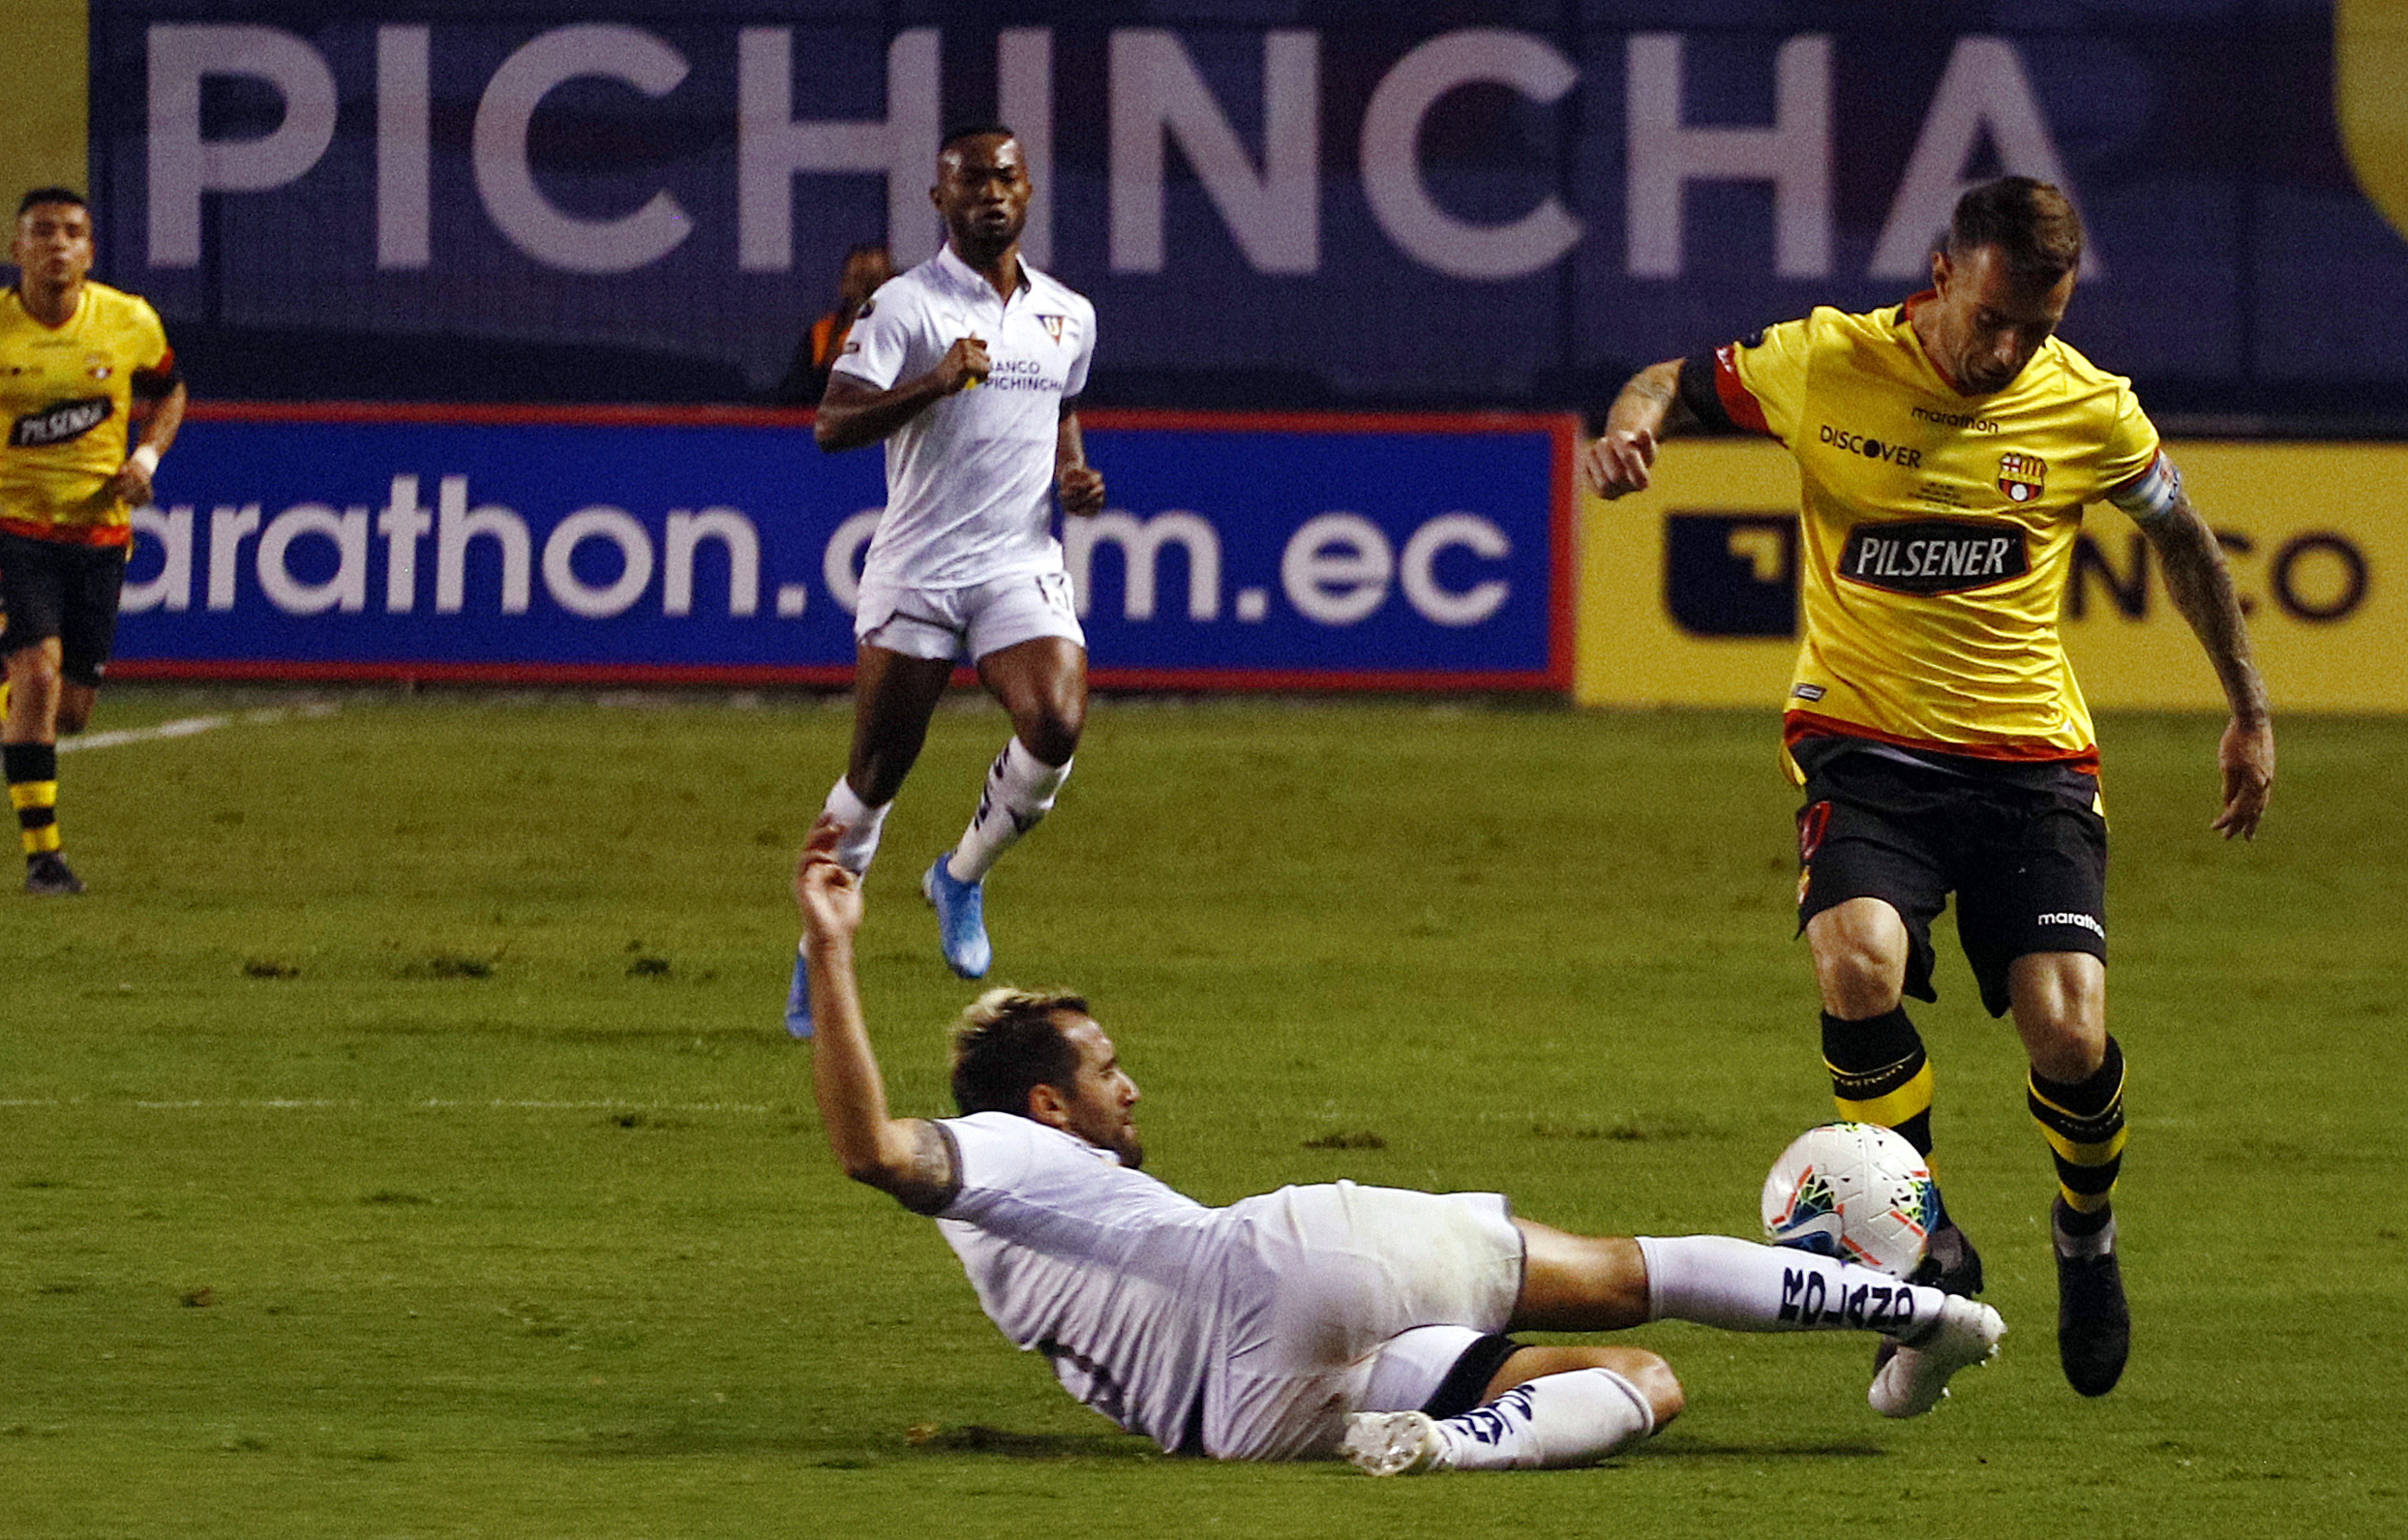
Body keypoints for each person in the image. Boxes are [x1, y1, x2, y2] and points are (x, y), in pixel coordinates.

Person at [1580, 176, 2273, 1401]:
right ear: (1942, 273)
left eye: (2038, 327)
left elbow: (2180, 537)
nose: (2010, 351)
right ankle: (1923, 1253)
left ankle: (2084, 1228)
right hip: (1864, 744)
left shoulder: (2089, 408)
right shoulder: (1825, 360)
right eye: (1994, 319)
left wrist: (2248, 707)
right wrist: (1632, 427)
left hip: (2029, 762)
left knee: (2069, 1033)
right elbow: (1669, 379)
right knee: (1855, 963)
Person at [792, 818, 2006, 1473]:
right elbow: (871, 1147)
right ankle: (1917, 1314)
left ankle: (1445, 1445)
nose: (1131, 1083)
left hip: (1236, 1421)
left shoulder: (1011, 1238)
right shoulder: (1003, 1152)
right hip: (1278, 1267)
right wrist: (834, 952)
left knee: (1644, 1384)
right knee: (1634, 1272)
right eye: (1104, 1067)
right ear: (1044, 1105)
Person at [784, 125, 1104, 1037]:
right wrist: (931, 382)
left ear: (1028, 190)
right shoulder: (902, 307)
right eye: (968, 183)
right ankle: (820, 947)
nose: (989, 195)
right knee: (875, 777)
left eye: (1004, 178)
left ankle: (958, 876)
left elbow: (1061, 400)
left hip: (1016, 561)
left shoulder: (1067, 313)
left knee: (1054, 722)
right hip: (919, 568)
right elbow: (832, 425)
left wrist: (1070, 471)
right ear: (940, 201)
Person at [0, 187, 187, 896]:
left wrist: (145, 459)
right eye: (42, 232)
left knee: (68, 713)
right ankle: (45, 861)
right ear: (15, 249)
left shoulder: (128, 320)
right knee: (39, 680)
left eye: (72, 232)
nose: (58, 245)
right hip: (10, 528)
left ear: (90, 250)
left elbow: (171, 389)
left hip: (99, 532)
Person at [773, 243, 895, 405]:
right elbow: (793, 399)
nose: (867, 294)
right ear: (844, 285)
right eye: (859, 280)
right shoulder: (822, 334)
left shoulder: (900, 335)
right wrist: (830, 368)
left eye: (874, 282)